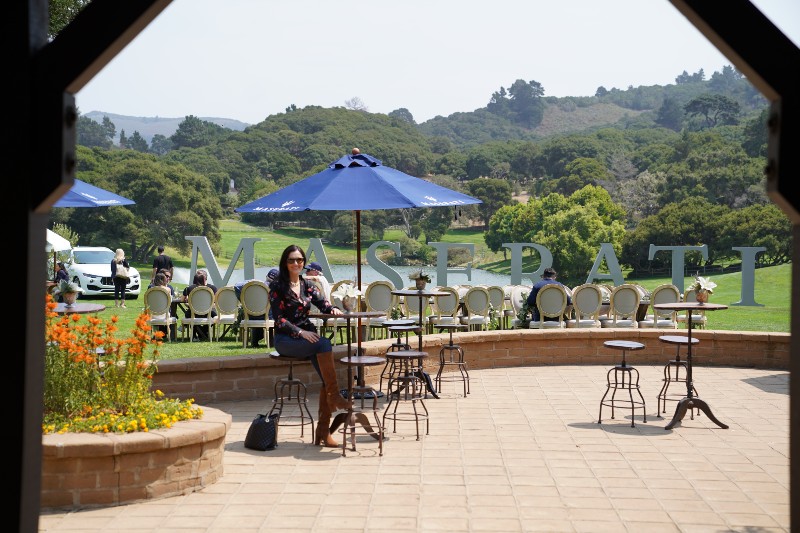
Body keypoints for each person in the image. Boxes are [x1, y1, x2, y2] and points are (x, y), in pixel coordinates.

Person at [269, 245, 350, 448]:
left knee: (325, 378)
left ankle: (323, 431)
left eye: (299, 260)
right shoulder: (277, 287)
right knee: (324, 343)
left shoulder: (308, 285)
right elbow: (278, 320)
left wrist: (333, 309)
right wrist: (300, 332)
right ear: (285, 263)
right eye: (291, 260)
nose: (296, 263)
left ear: (304, 263)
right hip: (286, 340)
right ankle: (336, 397)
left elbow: (323, 304)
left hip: (308, 341)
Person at [182, 270, 218, 340]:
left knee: (188, 314)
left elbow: (182, 300)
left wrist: (188, 304)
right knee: (215, 316)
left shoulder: (190, 288)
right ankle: (204, 332)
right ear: (205, 278)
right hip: (208, 312)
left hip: (193, 312)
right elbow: (216, 301)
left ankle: (199, 333)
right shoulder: (212, 288)